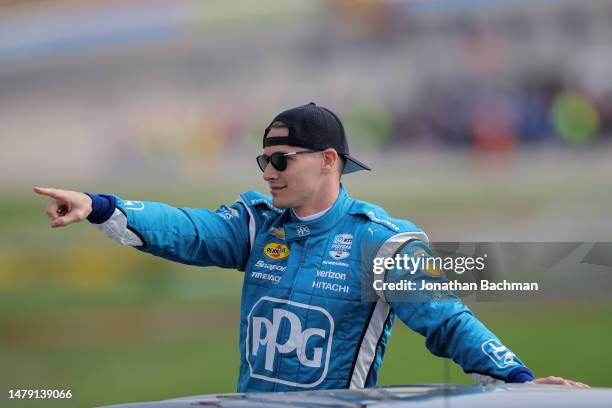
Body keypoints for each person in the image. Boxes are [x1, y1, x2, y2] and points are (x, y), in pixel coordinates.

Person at [34, 102, 587, 392]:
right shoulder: (258, 224)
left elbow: (447, 323)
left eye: (281, 160)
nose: (269, 173)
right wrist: (100, 205)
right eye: (263, 161)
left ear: (328, 160)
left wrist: (518, 382)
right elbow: (190, 229)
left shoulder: (381, 242)